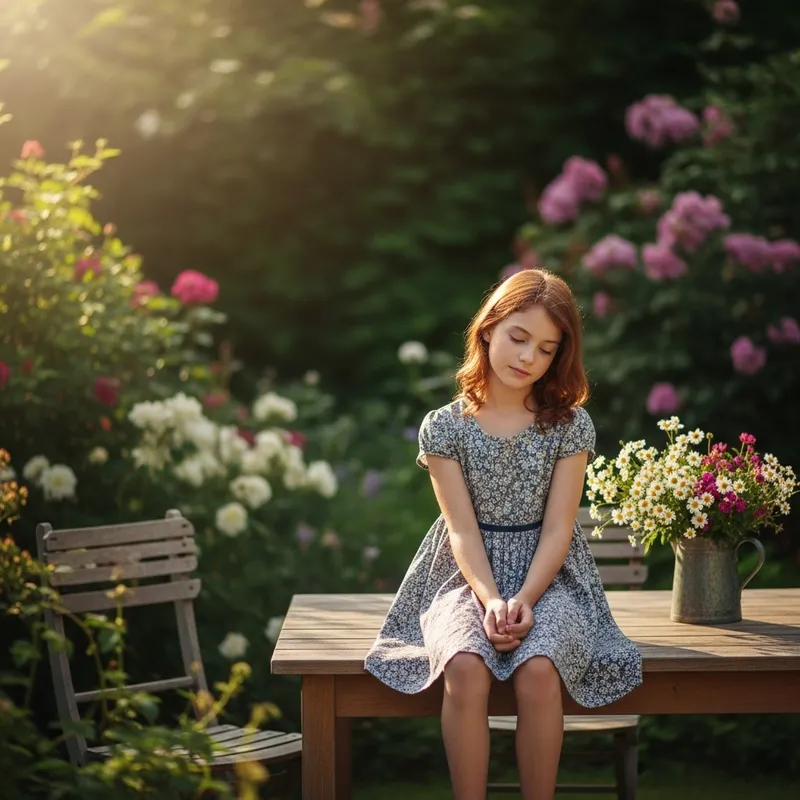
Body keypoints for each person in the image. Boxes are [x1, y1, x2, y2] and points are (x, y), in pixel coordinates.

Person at [364, 268, 643, 800]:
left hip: (552, 576)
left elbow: (561, 526)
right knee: (465, 668)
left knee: (539, 670)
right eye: (518, 338)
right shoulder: (444, 426)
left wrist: (527, 599)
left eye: (545, 349)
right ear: (489, 328)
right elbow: (461, 529)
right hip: (464, 576)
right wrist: (491, 599)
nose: (527, 358)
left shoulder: (568, 425)